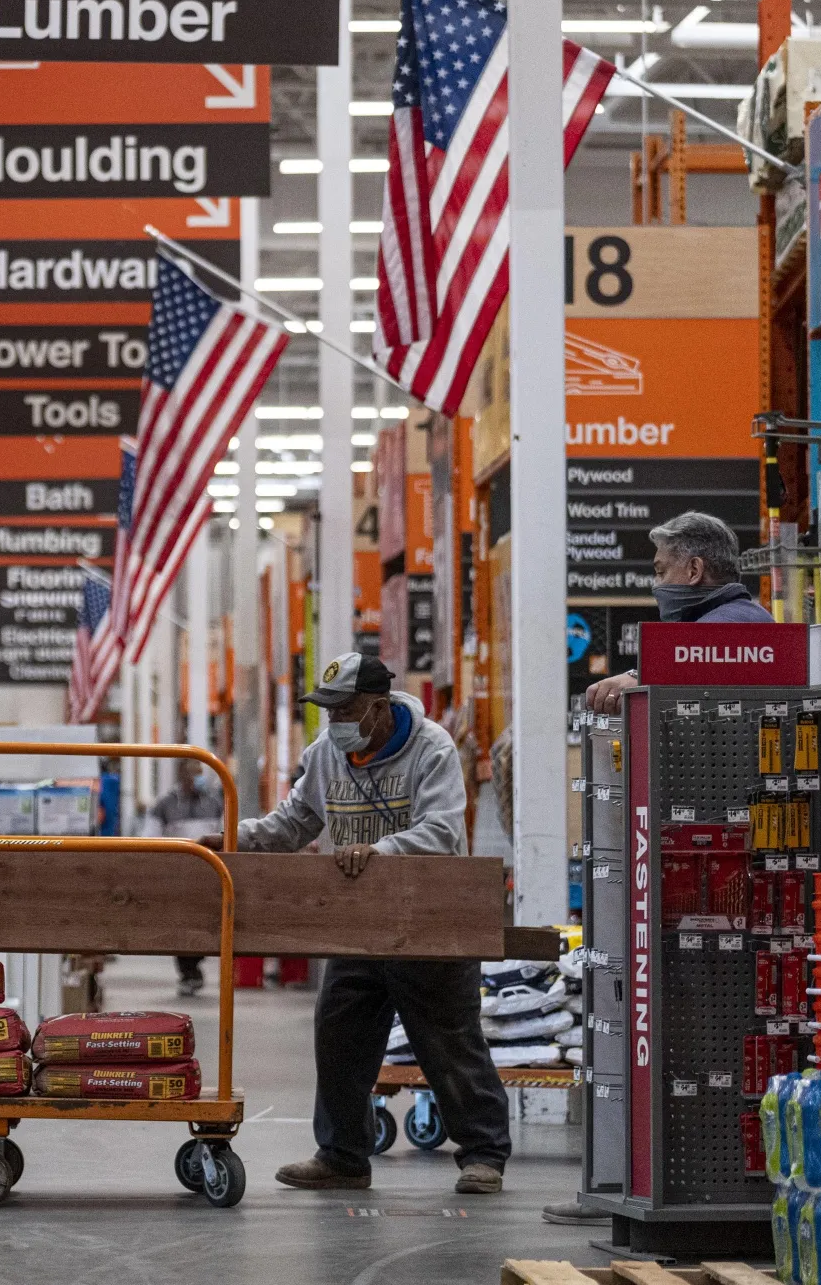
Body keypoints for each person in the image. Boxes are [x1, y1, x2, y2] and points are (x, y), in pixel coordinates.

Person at [209, 652, 510, 1196]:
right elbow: (295, 822)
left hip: (430, 919)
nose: (333, 722)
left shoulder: (433, 748)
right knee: (340, 1035)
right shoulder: (326, 755)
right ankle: (344, 1155)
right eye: (327, 711)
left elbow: (442, 830)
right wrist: (233, 837)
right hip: (356, 922)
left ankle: (483, 1154)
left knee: (447, 1039)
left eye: (342, 710)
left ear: (377, 707)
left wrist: (380, 849)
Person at [546, 510, 773, 1226]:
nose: (655, 583)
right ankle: (659, 1180)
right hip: (702, 864)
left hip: (730, 869)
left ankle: (676, 1187)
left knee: (700, 1029)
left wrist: (641, 677)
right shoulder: (708, 630)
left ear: (694, 570)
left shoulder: (738, 625)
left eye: (660, 568)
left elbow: (712, 673)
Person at [582, 511, 772, 714]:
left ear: (694, 571)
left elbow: (694, 659)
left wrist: (638, 680)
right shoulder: (741, 614)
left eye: (661, 572)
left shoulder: (730, 623)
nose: (657, 585)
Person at [146, 758, 226, 996]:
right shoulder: (165, 805)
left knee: (205, 924)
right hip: (177, 876)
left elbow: (227, 832)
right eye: (192, 772)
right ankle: (188, 972)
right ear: (181, 774)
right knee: (181, 925)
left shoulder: (215, 802)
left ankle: (194, 967)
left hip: (209, 874)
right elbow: (150, 837)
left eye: (200, 772)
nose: (196, 777)